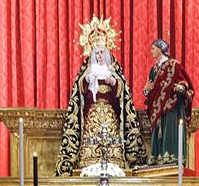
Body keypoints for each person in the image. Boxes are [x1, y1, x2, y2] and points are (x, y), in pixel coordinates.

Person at [56, 45, 146, 176]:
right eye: (97, 53)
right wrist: (86, 80)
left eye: (102, 53)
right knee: (92, 136)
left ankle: (115, 161)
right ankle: (89, 160)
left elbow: (122, 94)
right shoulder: (89, 70)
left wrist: (114, 82)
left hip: (110, 113)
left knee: (111, 138)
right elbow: (80, 91)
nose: (99, 56)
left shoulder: (112, 70)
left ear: (106, 54)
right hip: (93, 113)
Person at [144, 39, 194, 165]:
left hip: (172, 106)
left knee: (170, 131)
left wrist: (180, 88)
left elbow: (185, 83)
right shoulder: (154, 70)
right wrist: (146, 90)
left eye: (153, 48)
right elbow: (150, 89)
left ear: (160, 49)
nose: (151, 51)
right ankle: (158, 158)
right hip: (158, 108)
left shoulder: (174, 65)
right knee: (159, 133)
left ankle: (172, 158)